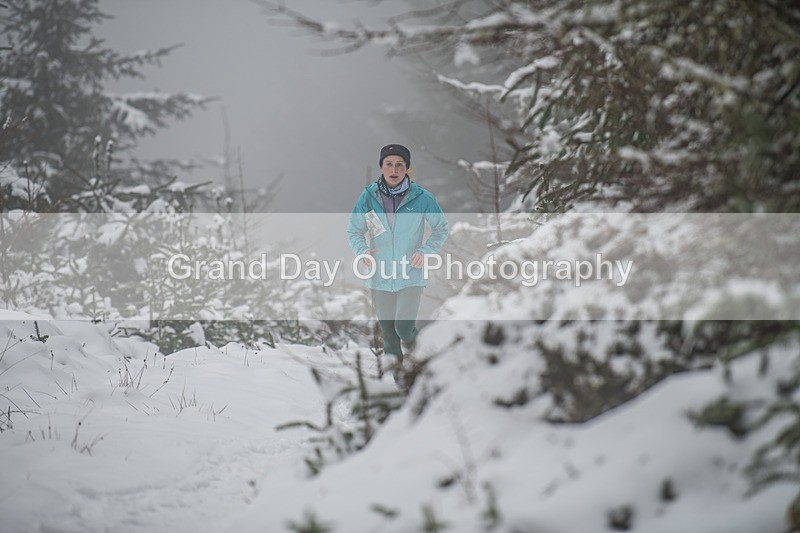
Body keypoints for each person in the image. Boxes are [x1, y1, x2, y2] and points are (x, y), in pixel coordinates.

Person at [347, 144, 448, 385]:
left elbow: (441, 228)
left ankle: (430, 361)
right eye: (389, 164)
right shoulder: (368, 197)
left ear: (407, 169)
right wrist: (363, 252)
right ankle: (401, 384)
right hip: (380, 276)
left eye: (400, 165)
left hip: (410, 274)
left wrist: (426, 251)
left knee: (404, 328)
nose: (394, 169)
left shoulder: (422, 198)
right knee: (389, 335)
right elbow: (354, 230)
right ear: (382, 167)